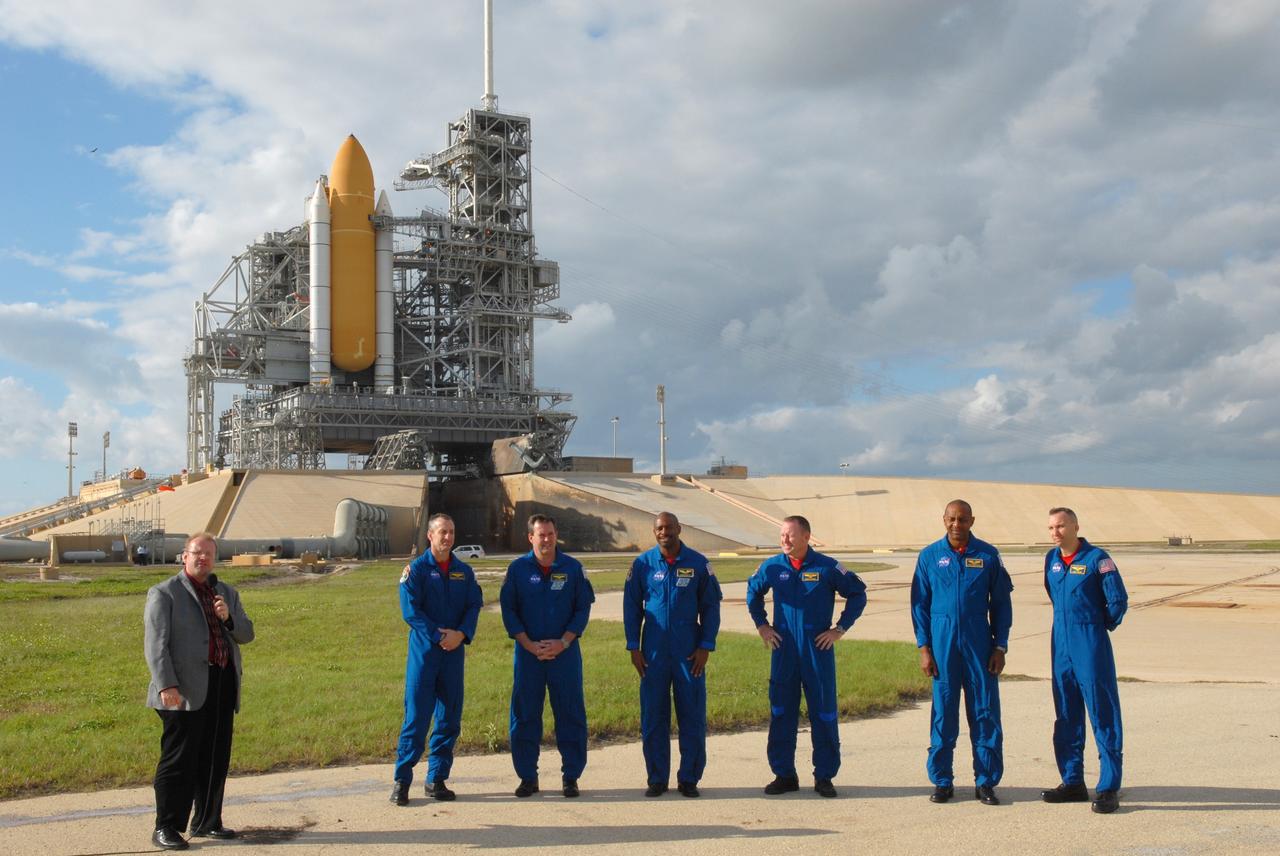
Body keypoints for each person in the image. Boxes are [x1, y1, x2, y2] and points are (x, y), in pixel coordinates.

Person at [144, 532, 255, 851]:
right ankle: (166, 826)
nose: (202, 558)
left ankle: (208, 821)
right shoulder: (164, 593)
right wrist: (167, 685)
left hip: (221, 685)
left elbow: (247, 634)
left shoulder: (227, 593)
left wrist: (228, 618)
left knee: (215, 757)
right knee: (179, 760)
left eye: (208, 553)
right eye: (196, 553)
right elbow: (156, 646)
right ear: (184, 556)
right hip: (182, 689)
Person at [746, 515, 867, 798]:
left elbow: (858, 594)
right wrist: (762, 625)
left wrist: (839, 628)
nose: (785, 540)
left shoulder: (827, 567)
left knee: (824, 713)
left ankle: (824, 776)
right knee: (781, 713)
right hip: (784, 650)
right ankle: (784, 774)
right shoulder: (773, 566)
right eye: (782, 536)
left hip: (817, 651)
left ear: (806, 537)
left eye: (790, 535)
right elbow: (753, 593)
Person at [910, 499, 1013, 807]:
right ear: (944, 520)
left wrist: (1000, 645)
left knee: (984, 711)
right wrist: (924, 648)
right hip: (942, 645)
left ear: (972, 520)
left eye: (963, 519)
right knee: (943, 712)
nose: (957, 524)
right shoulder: (929, 556)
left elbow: (1001, 605)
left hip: (979, 644)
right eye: (952, 519)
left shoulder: (988, 555)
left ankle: (986, 781)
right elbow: (919, 606)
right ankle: (942, 781)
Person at [624, 512, 722, 798]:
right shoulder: (642, 564)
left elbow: (711, 607)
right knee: (653, 715)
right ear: (654, 532)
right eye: (659, 528)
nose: (664, 532)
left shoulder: (698, 564)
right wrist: (633, 646)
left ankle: (689, 778)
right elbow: (632, 607)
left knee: (692, 714)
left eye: (668, 527)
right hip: (653, 653)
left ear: (679, 529)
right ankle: (656, 778)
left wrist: (706, 645)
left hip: (689, 652)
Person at [390, 513, 484, 806]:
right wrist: (438, 635)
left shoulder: (463, 572)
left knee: (449, 718)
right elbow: (410, 610)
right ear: (430, 536)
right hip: (425, 656)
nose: (447, 537)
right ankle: (402, 781)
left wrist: (461, 634)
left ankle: (436, 779)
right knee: (416, 719)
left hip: (453, 656)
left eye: (451, 532)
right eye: (442, 532)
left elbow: (473, 605)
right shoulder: (416, 571)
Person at [499, 513, 595, 798]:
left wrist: (563, 642)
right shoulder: (517, 570)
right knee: (525, 715)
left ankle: (571, 777)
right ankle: (528, 776)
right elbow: (509, 610)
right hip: (529, 656)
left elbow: (582, 610)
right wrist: (528, 644)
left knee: (570, 714)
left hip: (564, 655)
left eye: (551, 534)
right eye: (541, 534)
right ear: (531, 537)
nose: (547, 539)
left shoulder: (573, 568)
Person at [1041, 507, 1128, 814]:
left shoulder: (1097, 559)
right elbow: (1054, 595)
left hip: (1090, 643)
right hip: (1060, 644)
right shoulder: (1051, 560)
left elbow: (1117, 600)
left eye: (1061, 526)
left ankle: (1107, 786)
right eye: (1051, 527)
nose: (1056, 532)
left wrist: (1095, 625)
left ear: (1076, 526)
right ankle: (1073, 780)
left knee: (1102, 711)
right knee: (1066, 712)